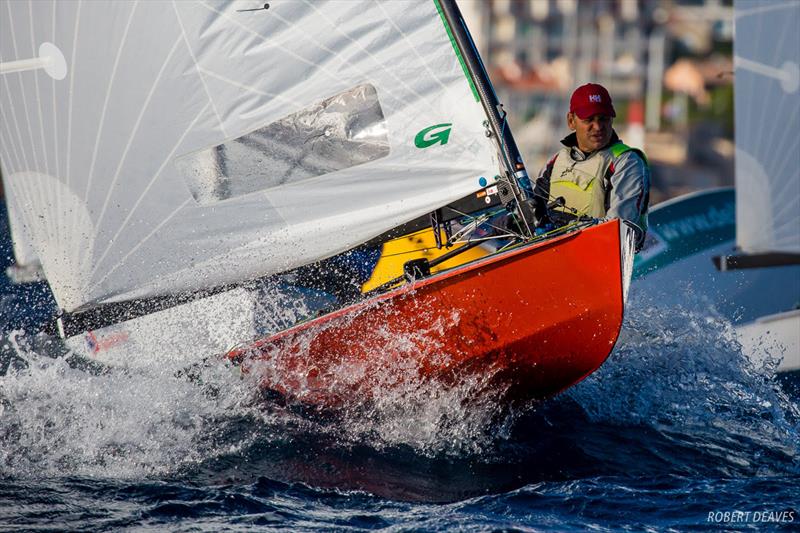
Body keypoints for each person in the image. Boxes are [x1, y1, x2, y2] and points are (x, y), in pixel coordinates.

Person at [534, 83, 650, 249]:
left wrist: (564, 224)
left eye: (603, 119)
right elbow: (534, 209)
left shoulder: (626, 161)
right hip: (556, 256)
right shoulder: (555, 162)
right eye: (589, 120)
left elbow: (620, 229)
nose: (598, 127)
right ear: (571, 121)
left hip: (600, 255)